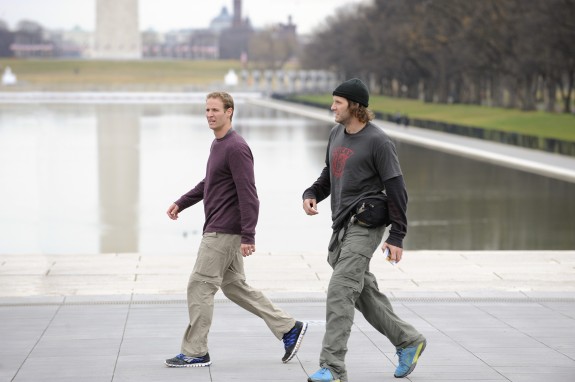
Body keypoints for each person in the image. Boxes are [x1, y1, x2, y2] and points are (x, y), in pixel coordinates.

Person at [165, 91, 307, 368]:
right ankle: (289, 328)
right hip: (221, 227)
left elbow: (249, 193)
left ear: (229, 111)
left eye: (215, 110)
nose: (209, 115)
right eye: (207, 110)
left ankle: (195, 351)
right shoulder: (218, 145)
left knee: (200, 286)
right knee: (234, 287)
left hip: (223, 231)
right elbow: (210, 182)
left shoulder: (236, 147)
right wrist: (182, 202)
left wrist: (248, 234)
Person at [302, 79, 426, 381]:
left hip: (366, 224)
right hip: (341, 223)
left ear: (355, 106)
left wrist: (397, 235)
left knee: (340, 289)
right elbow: (329, 175)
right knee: (362, 290)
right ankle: (408, 341)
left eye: (338, 102)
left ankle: (332, 367)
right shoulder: (335, 134)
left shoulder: (378, 142)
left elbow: (398, 190)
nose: (332, 107)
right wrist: (312, 193)